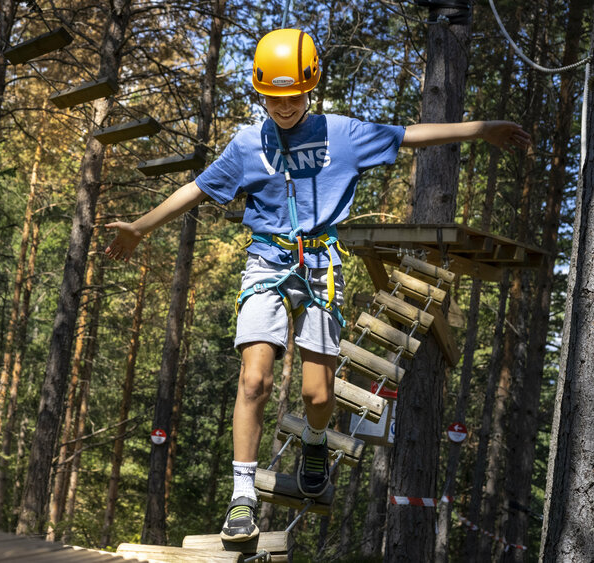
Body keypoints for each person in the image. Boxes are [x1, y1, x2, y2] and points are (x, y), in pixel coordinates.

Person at [104, 28, 530, 541]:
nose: (283, 107)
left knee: (318, 392)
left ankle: (314, 437)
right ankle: (242, 496)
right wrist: (141, 227)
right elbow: (196, 189)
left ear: (312, 89)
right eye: (273, 97)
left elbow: (410, 134)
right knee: (254, 380)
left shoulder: (342, 135)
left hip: (321, 265)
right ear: (259, 91)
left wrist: (480, 129)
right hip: (266, 261)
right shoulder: (246, 143)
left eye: (294, 96)